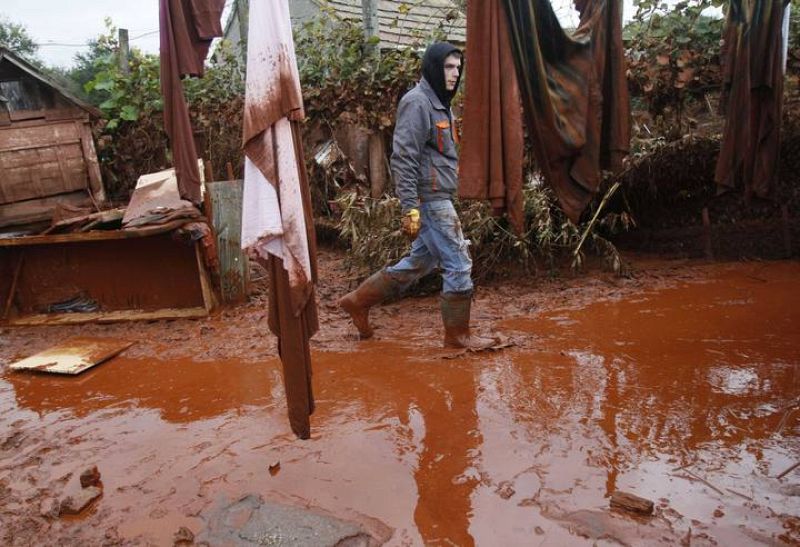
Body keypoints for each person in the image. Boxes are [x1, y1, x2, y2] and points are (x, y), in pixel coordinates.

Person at [339, 42, 494, 349]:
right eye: (449, 67)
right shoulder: (418, 103)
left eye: (458, 68)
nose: (455, 74)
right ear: (434, 67)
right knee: (459, 263)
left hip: (438, 194)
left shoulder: (441, 103)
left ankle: (357, 301)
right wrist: (409, 206)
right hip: (430, 198)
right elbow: (404, 157)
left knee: (419, 263)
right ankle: (457, 336)